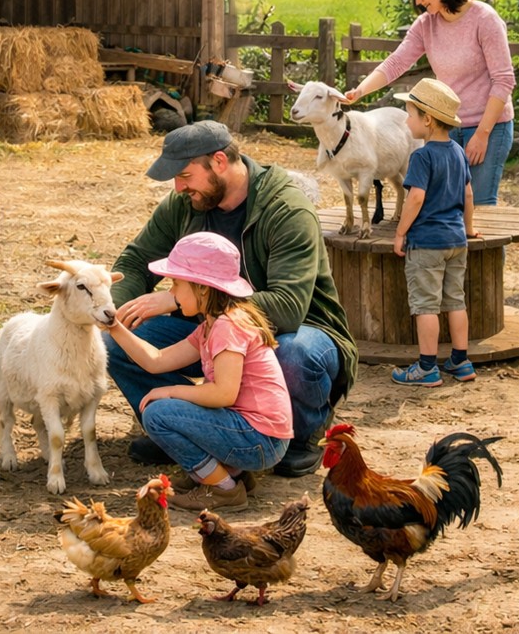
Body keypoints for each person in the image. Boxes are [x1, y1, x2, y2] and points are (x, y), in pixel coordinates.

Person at [106, 119, 358, 479]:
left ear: (219, 162)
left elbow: (288, 308)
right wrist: (109, 311)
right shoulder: (186, 202)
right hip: (208, 326)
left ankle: (301, 435)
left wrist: (174, 300)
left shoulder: (287, 210)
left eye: (185, 175)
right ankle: (188, 429)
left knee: (293, 353)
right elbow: (134, 262)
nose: (178, 187)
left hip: (296, 328)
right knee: (116, 343)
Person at [105, 232, 292, 512]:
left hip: (260, 441)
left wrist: (170, 391)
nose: (171, 293)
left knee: (158, 415)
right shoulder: (211, 325)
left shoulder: (227, 327)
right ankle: (232, 475)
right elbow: (156, 360)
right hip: (256, 436)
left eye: (176, 284)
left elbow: (224, 394)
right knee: (163, 409)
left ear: (202, 288)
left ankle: (223, 489)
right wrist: (114, 327)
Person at [344, 0, 515, 205]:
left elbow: (504, 80)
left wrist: (482, 134)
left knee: (477, 208)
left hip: (488, 126)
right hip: (446, 126)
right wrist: (360, 91)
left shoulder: (485, 19)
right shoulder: (426, 24)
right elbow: (396, 63)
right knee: (443, 207)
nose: (418, 1)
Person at [390, 79, 478, 388]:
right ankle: (461, 361)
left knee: (426, 305)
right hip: (456, 241)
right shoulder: (458, 152)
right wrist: (468, 228)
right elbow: (468, 194)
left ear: (427, 119)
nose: (406, 121)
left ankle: (427, 367)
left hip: (427, 243)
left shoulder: (422, 156)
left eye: (409, 114)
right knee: (455, 300)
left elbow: (415, 198)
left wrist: (400, 232)